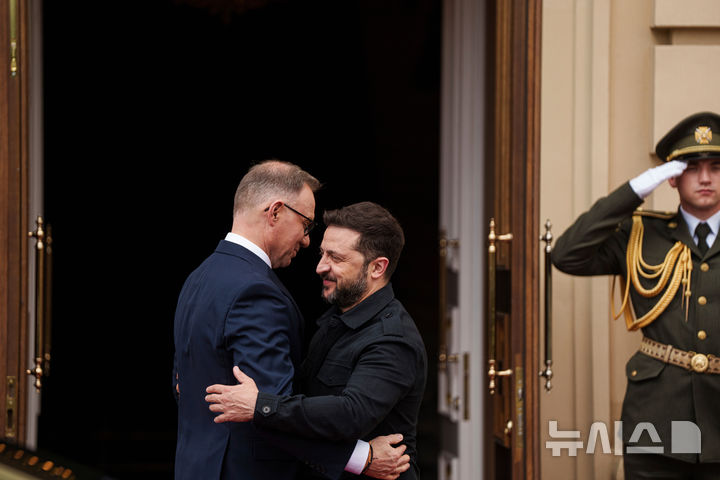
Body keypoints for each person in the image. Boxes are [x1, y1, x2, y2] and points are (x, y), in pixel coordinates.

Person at [173, 161, 408, 480]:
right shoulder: (255, 293)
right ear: (275, 212)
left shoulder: (199, 277)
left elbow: (183, 384)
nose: (307, 240)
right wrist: (361, 457)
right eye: (306, 224)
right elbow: (271, 412)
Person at [552, 111, 720, 479]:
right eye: (692, 167)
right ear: (672, 177)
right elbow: (566, 254)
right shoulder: (640, 234)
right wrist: (637, 189)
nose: (706, 178)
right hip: (656, 424)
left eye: (716, 167)